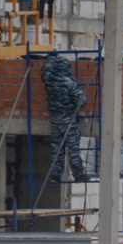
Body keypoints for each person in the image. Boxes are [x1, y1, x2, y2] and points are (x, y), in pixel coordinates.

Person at [40, 53, 89, 183]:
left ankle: (55, 176)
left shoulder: (49, 81)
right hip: (69, 121)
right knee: (73, 150)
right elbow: (81, 101)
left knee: (57, 150)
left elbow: (45, 72)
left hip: (55, 120)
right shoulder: (69, 83)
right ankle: (78, 175)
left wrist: (50, 59)